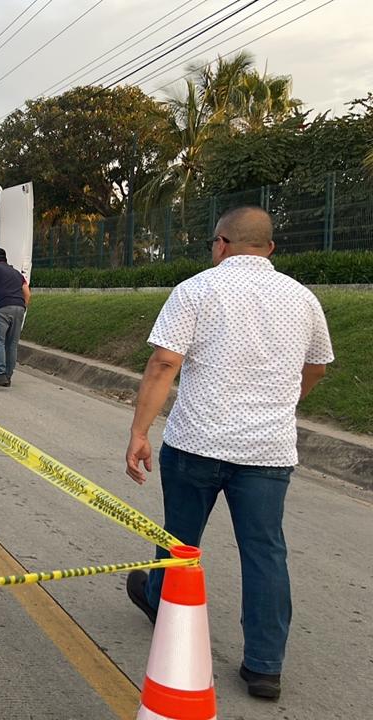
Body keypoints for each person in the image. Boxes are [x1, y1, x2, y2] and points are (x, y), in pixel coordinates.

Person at [124, 206, 333, 701]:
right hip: (268, 449)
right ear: (270, 248)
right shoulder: (303, 299)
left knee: (179, 537)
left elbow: (164, 363)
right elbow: (317, 366)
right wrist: (282, 401)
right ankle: (264, 665)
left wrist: (139, 431)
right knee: (265, 550)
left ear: (220, 243)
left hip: (196, 441)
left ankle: (161, 606)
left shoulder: (197, 290)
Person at [0, 247, 30, 388]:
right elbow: (27, 293)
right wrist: (21, 308)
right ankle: (7, 376)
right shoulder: (16, 273)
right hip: (19, 308)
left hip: (1, 308)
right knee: (12, 344)